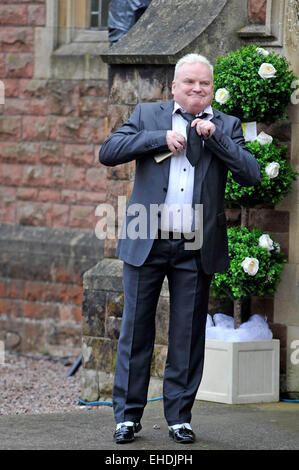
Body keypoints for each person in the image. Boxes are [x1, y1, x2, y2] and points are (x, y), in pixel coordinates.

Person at [99, 53, 260, 444]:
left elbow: (251, 174)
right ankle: (127, 417)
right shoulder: (147, 114)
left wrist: (215, 137)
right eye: (189, 82)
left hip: (195, 244)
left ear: (211, 88)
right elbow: (109, 152)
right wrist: (159, 139)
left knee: (188, 336)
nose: (197, 89)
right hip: (147, 239)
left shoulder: (227, 125)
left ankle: (179, 418)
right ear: (174, 86)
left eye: (204, 83)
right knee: (135, 332)